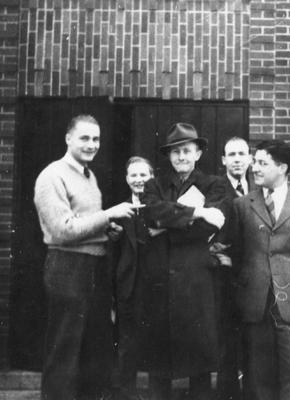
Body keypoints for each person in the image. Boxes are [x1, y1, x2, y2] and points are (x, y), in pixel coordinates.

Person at [34, 114, 141, 400]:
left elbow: (86, 222)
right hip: (67, 267)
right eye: (84, 138)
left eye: (96, 139)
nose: (92, 144)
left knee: (93, 348)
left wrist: (108, 229)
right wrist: (108, 215)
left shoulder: (88, 175)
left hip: (95, 266)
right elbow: (62, 230)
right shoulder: (52, 175)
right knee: (65, 348)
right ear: (68, 138)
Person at [230, 139, 290, 400]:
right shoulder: (242, 206)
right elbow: (237, 254)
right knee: (258, 374)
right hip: (256, 302)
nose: (255, 168)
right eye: (255, 162)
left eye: (262, 163)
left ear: (282, 167)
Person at [140, 122, 228, 400]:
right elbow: (151, 213)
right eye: (175, 152)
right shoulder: (154, 184)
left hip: (196, 281)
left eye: (187, 151)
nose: (181, 157)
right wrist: (196, 213)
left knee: (199, 363)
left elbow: (209, 227)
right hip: (160, 282)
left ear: (198, 154)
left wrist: (166, 226)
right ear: (168, 156)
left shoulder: (214, 184)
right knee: (159, 366)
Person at [113, 156, 167, 400]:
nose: (138, 180)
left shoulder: (162, 208)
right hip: (129, 287)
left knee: (157, 344)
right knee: (127, 345)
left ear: (152, 177)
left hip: (156, 286)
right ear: (126, 179)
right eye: (133, 175)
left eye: (143, 175)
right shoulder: (118, 211)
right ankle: (126, 394)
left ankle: (158, 395)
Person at [214, 137, 253, 400]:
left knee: (252, 342)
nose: (237, 159)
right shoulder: (215, 189)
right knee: (227, 342)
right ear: (224, 160)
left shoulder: (259, 188)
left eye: (242, 154)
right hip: (225, 277)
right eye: (232, 154)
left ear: (249, 159)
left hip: (253, 276)